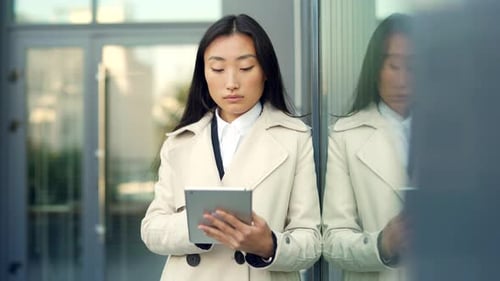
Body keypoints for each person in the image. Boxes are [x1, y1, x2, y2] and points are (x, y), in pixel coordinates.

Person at [141, 14, 321, 281]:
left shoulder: (294, 138)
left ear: (266, 71)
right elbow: (151, 230)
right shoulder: (180, 142)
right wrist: (197, 228)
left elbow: (311, 242)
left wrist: (268, 245)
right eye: (217, 69)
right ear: (203, 73)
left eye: (246, 68)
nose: (231, 82)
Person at [322, 13, 412, 281]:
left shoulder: (460, 132)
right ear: (375, 69)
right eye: (394, 66)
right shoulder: (346, 135)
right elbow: (333, 242)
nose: (403, 79)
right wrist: (382, 245)